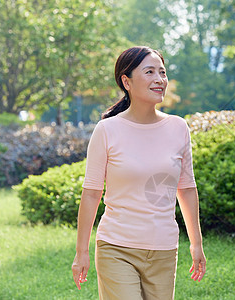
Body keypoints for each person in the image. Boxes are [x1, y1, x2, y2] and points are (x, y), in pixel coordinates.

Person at [71, 46, 206, 300]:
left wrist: (196, 244)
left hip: (164, 249)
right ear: (126, 81)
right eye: (150, 72)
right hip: (116, 247)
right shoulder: (107, 130)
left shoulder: (178, 128)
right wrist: (82, 252)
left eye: (162, 72)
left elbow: (186, 188)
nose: (159, 79)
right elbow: (91, 194)